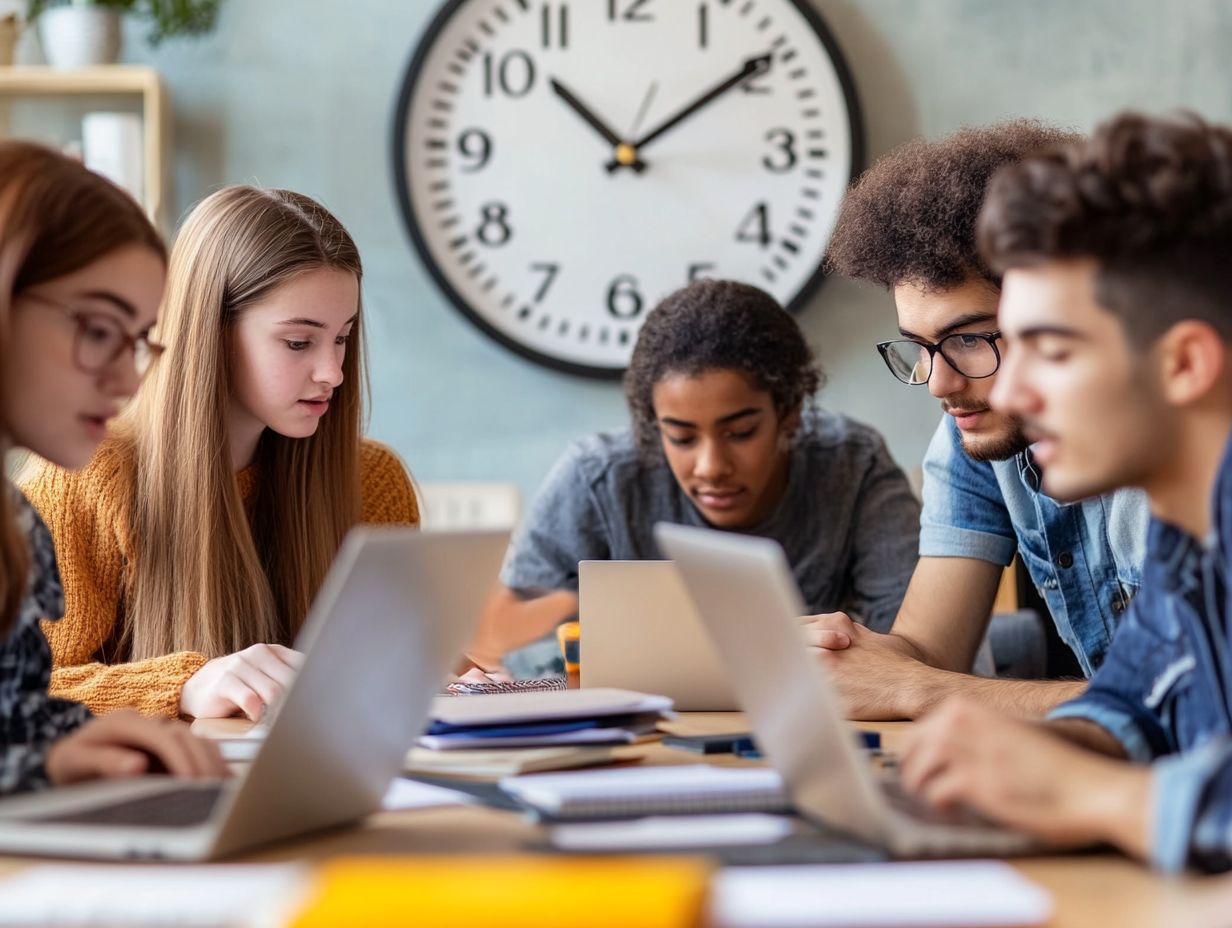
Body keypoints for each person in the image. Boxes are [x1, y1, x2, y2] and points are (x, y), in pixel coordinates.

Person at [900, 111, 1232, 873]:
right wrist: (1026, 757)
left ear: (1183, 364)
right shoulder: (1193, 535)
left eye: (1049, 349)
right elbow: (1130, 703)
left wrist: (1094, 797)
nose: (1010, 387)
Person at [21, 185, 420, 721]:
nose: (334, 373)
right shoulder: (83, 472)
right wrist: (182, 686)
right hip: (164, 797)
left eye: (342, 337)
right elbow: (24, 688)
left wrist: (457, 676)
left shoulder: (372, 480)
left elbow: (391, 666)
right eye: (299, 343)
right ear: (210, 332)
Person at [812, 120, 1149, 718]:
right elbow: (925, 653)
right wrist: (845, 658)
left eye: (969, 339)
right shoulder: (974, 428)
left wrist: (916, 690)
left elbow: (1191, 707)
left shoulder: (1176, 448)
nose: (939, 383)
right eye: (919, 346)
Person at [476, 279, 921, 671]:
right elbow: (513, 651)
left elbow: (914, 651)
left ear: (789, 412)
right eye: (682, 438)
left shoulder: (852, 467)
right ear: (653, 426)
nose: (711, 467)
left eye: (742, 432)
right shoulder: (597, 479)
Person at [0, 140, 225, 788]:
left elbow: (15, 723)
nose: (128, 381)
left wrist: (87, 735)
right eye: (99, 329)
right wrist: (45, 767)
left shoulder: (13, 524)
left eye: (136, 343)